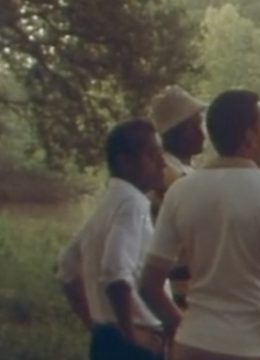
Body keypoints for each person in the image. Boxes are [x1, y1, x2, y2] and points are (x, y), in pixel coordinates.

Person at [140, 90, 260, 360]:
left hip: (190, 346)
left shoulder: (180, 190)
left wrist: (183, 327)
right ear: (250, 137)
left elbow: (149, 284)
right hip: (251, 348)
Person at [56, 119, 171, 360]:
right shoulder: (132, 203)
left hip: (106, 336)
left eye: (161, 154)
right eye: (152, 155)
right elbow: (115, 272)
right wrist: (132, 336)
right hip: (136, 342)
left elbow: (67, 265)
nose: (163, 163)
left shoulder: (111, 200)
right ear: (125, 161)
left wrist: (97, 324)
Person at [148, 85, 208, 309]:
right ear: (177, 131)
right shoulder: (168, 177)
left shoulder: (182, 172)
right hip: (177, 294)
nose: (202, 133)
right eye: (195, 125)